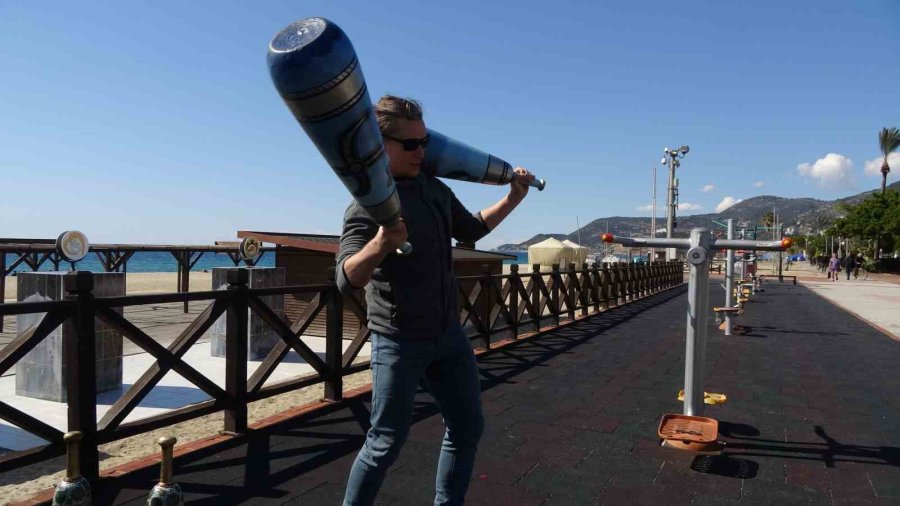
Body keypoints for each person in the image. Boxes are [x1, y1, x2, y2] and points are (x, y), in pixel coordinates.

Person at [337, 95, 534, 506]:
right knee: (384, 444)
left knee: (466, 430)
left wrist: (512, 198)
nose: (422, 152)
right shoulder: (367, 204)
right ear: (379, 144)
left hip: (448, 334)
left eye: (424, 142)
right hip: (399, 340)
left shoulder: (435, 189)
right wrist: (379, 243)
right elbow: (347, 278)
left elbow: (470, 229)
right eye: (410, 145)